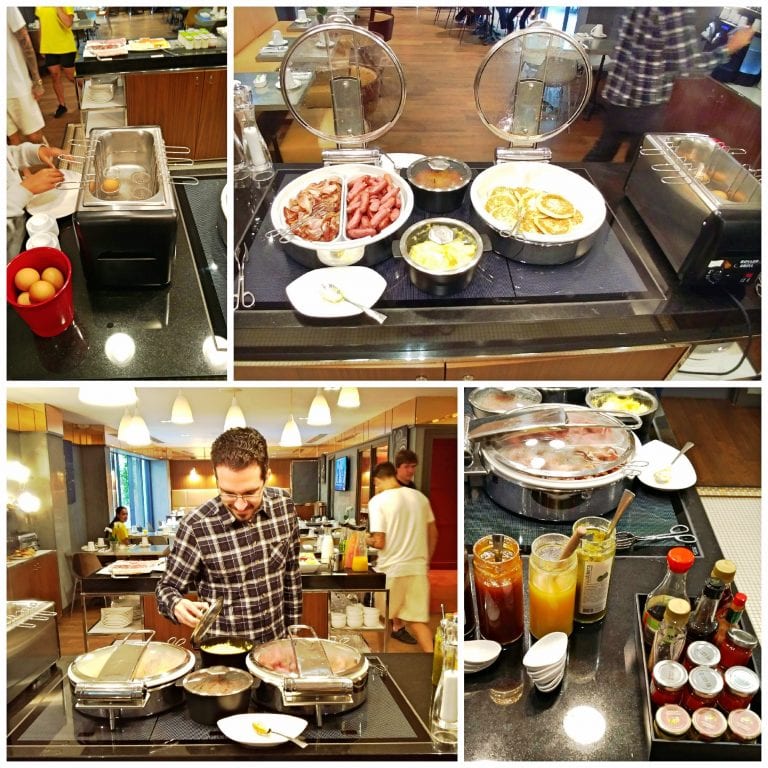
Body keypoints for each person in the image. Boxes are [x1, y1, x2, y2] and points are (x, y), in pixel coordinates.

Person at [156, 427, 302, 641]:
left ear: (266, 477)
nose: (240, 505)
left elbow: (291, 573)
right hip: (221, 651)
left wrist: (294, 631)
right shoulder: (196, 526)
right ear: (217, 480)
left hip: (276, 644)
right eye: (228, 493)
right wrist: (175, 604)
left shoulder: (284, 506)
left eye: (250, 493)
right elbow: (166, 588)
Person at [584, 8, 755, 163]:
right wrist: (730, 48)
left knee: (603, 151)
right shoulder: (673, 10)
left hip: (617, 92)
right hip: (644, 102)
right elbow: (688, 66)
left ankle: (582, 182)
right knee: (638, 162)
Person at [366, 462, 438, 651]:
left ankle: (382, 659)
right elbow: (433, 533)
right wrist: (426, 561)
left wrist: (365, 539)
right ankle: (435, 662)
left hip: (391, 570)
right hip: (417, 569)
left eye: (376, 484)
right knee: (417, 622)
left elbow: (379, 542)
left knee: (382, 619)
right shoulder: (419, 498)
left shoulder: (378, 501)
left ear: (378, 480)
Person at [7, 142, 64, 256]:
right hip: (11, 248)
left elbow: (8, 155)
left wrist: (32, 152)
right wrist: (24, 190)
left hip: (23, 223)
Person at [7, 7, 46, 145]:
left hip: (15, 83)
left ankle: (52, 160)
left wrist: (37, 81)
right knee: (12, 140)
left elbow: (26, 43)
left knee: (34, 136)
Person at [35, 6, 77, 118]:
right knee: (54, 76)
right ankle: (62, 105)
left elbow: (68, 23)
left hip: (65, 46)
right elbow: (40, 25)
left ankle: (86, 96)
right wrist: (41, 46)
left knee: (72, 77)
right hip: (49, 47)